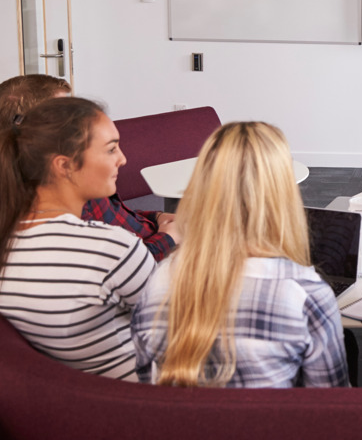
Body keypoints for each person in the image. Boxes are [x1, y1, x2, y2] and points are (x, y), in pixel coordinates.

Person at [131, 122, 348, 388]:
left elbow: (145, 377)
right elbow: (329, 403)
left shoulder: (158, 280)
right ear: (283, 193)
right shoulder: (304, 291)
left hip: (176, 427)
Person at [0, 97, 156, 380]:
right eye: (111, 149)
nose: (123, 158)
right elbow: (181, 332)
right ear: (65, 166)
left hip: (70, 402)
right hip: (146, 401)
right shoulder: (110, 248)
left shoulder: (8, 239)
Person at [0, 74, 177, 261]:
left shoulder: (81, 180)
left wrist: (157, 218)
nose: (77, 117)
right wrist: (168, 238)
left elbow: (117, 216)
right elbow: (123, 264)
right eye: (64, 114)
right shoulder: (63, 199)